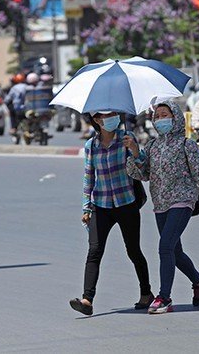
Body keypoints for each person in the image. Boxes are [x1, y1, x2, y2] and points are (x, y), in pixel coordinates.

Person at [124, 100, 199, 314]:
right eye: (157, 116)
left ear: (175, 117)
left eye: (165, 114)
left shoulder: (187, 145)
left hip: (183, 200)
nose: (160, 119)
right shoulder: (153, 146)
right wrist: (135, 153)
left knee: (165, 247)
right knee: (175, 251)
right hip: (160, 203)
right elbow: (142, 174)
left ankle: (164, 297)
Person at [69, 111, 153, 316]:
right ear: (97, 120)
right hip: (101, 204)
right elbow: (89, 177)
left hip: (126, 203)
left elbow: (143, 168)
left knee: (133, 250)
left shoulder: (127, 138)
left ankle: (146, 293)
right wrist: (86, 207)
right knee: (94, 251)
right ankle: (87, 300)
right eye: (107, 115)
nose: (112, 118)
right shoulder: (91, 145)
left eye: (114, 114)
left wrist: (134, 150)